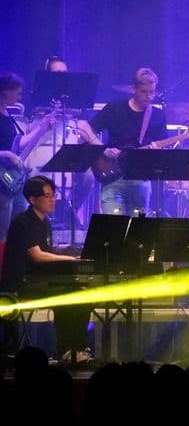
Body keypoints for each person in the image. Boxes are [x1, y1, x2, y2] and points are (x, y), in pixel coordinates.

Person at [0, 176, 93, 364]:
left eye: (53, 195)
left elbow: (47, 253)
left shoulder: (44, 222)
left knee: (84, 294)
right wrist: (69, 259)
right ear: (33, 199)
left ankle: (77, 348)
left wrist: (66, 251)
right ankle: (67, 350)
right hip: (22, 284)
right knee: (68, 295)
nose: (53, 200)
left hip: (40, 280)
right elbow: (37, 255)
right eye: (47, 196)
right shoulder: (23, 222)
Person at [76, 68, 169, 216]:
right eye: (144, 92)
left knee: (136, 231)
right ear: (133, 89)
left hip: (141, 179)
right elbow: (84, 127)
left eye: (152, 92)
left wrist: (155, 150)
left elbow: (162, 145)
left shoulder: (157, 115)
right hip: (112, 178)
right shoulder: (115, 108)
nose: (149, 96)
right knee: (114, 227)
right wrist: (103, 149)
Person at [0, 73, 57, 234]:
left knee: (19, 224)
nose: (20, 96)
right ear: (5, 91)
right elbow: (10, 152)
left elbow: (20, 144)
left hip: (12, 179)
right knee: (2, 229)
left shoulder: (7, 115)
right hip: (2, 179)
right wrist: (7, 155)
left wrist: (42, 128)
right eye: (17, 92)